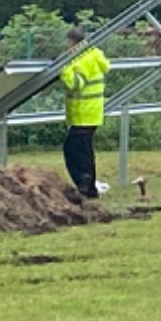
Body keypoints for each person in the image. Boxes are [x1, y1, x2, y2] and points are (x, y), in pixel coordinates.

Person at [58, 24, 111, 201]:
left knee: (74, 149)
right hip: (92, 111)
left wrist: (63, 71)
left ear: (72, 42)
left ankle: (84, 182)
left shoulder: (82, 59)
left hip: (83, 112)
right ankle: (89, 187)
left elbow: (76, 84)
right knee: (84, 149)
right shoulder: (94, 54)